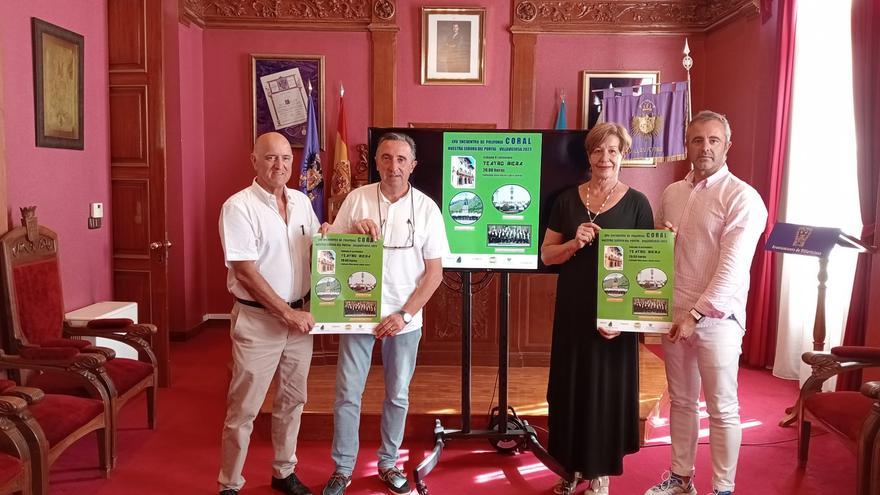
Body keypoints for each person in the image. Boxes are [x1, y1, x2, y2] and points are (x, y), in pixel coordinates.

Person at [644, 111, 767, 495]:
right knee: (681, 401)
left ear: (728, 146)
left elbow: (731, 267)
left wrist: (697, 314)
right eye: (698, 140)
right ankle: (681, 480)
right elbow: (656, 255)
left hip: (719, 320)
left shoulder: (743, 197)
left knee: (722, 407)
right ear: (687, 146)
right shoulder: (672, 193)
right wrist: (662, 240)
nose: (705, 147)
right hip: (675, 315)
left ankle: (723, 488)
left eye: (714, 140)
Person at [320, 132, 448, 495]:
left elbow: (435, 273)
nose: (394, 166)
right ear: (376, 162)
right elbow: (329, 246)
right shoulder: (357, 199)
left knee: (397, 395)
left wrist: (404, 315)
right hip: (358, 314)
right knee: (348, 392)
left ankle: (389, 463)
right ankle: (343, 468)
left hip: (404, 321)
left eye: (401, 159)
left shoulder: (427, 208)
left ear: (413, 165)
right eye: (386, 158)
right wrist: (343, 230)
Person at [540, 122, 654, 495]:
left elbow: (645, 268)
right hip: (574, 310)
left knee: (603, 393)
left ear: (624, 155)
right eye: (598, 150)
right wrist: (574, 243)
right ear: (588, 155)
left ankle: (599, 474)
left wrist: (625, 323)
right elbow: (547, 255)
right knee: (569, 390)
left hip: (614, 318)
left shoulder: (638, 203)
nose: (605, 158)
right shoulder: (566, 200)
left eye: (613, 151)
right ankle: (569, 469)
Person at [218, 132, 319, 495]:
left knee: (293, 401)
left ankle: (283, 471)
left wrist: (334, 237)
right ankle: (230, 483)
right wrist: (284, 313)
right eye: (271, 158)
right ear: (254, 161)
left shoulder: (302, 202)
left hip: (300, 321)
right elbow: (245, 270)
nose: (280, 166)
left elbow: (314, 248)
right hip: (259, 322)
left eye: (286, 159)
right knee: (244, 408)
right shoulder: (238, 207)